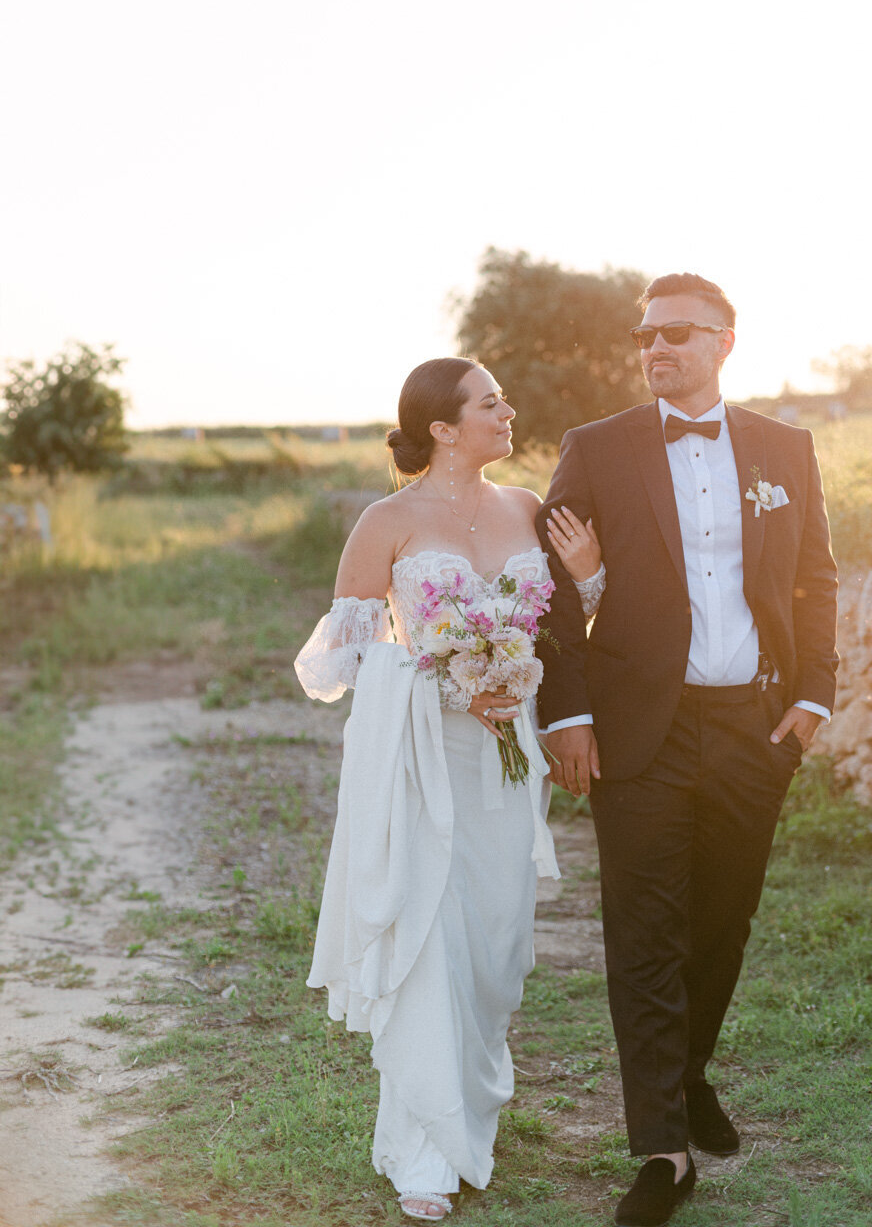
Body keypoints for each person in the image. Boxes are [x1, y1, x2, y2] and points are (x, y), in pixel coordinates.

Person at [535, 273, 839, 1227]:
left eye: (675, 333)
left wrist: (814, 697)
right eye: (644, 335)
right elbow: (548, 592)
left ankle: (689, 1071)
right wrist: (567, 715)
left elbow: (816, 579)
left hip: (754, 727)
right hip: (640, 733)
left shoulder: (786, 448)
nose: (655, 348)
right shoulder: (596, 449)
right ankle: (662, 1149)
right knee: (643, 933)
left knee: (724, 921)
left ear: (725, 341)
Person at [294, 357, 602, 1222]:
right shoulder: (386, 522)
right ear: (442, 426)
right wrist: (442, 676)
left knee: (496, 941)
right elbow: (340, 664)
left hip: (508, 759)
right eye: (492, 401)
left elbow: (566, 632)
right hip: (421, 757)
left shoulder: (530, 510)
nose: (510, 411)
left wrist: (589, 580)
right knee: (431, 934)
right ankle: (424, 1152)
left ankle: (473, 1091)